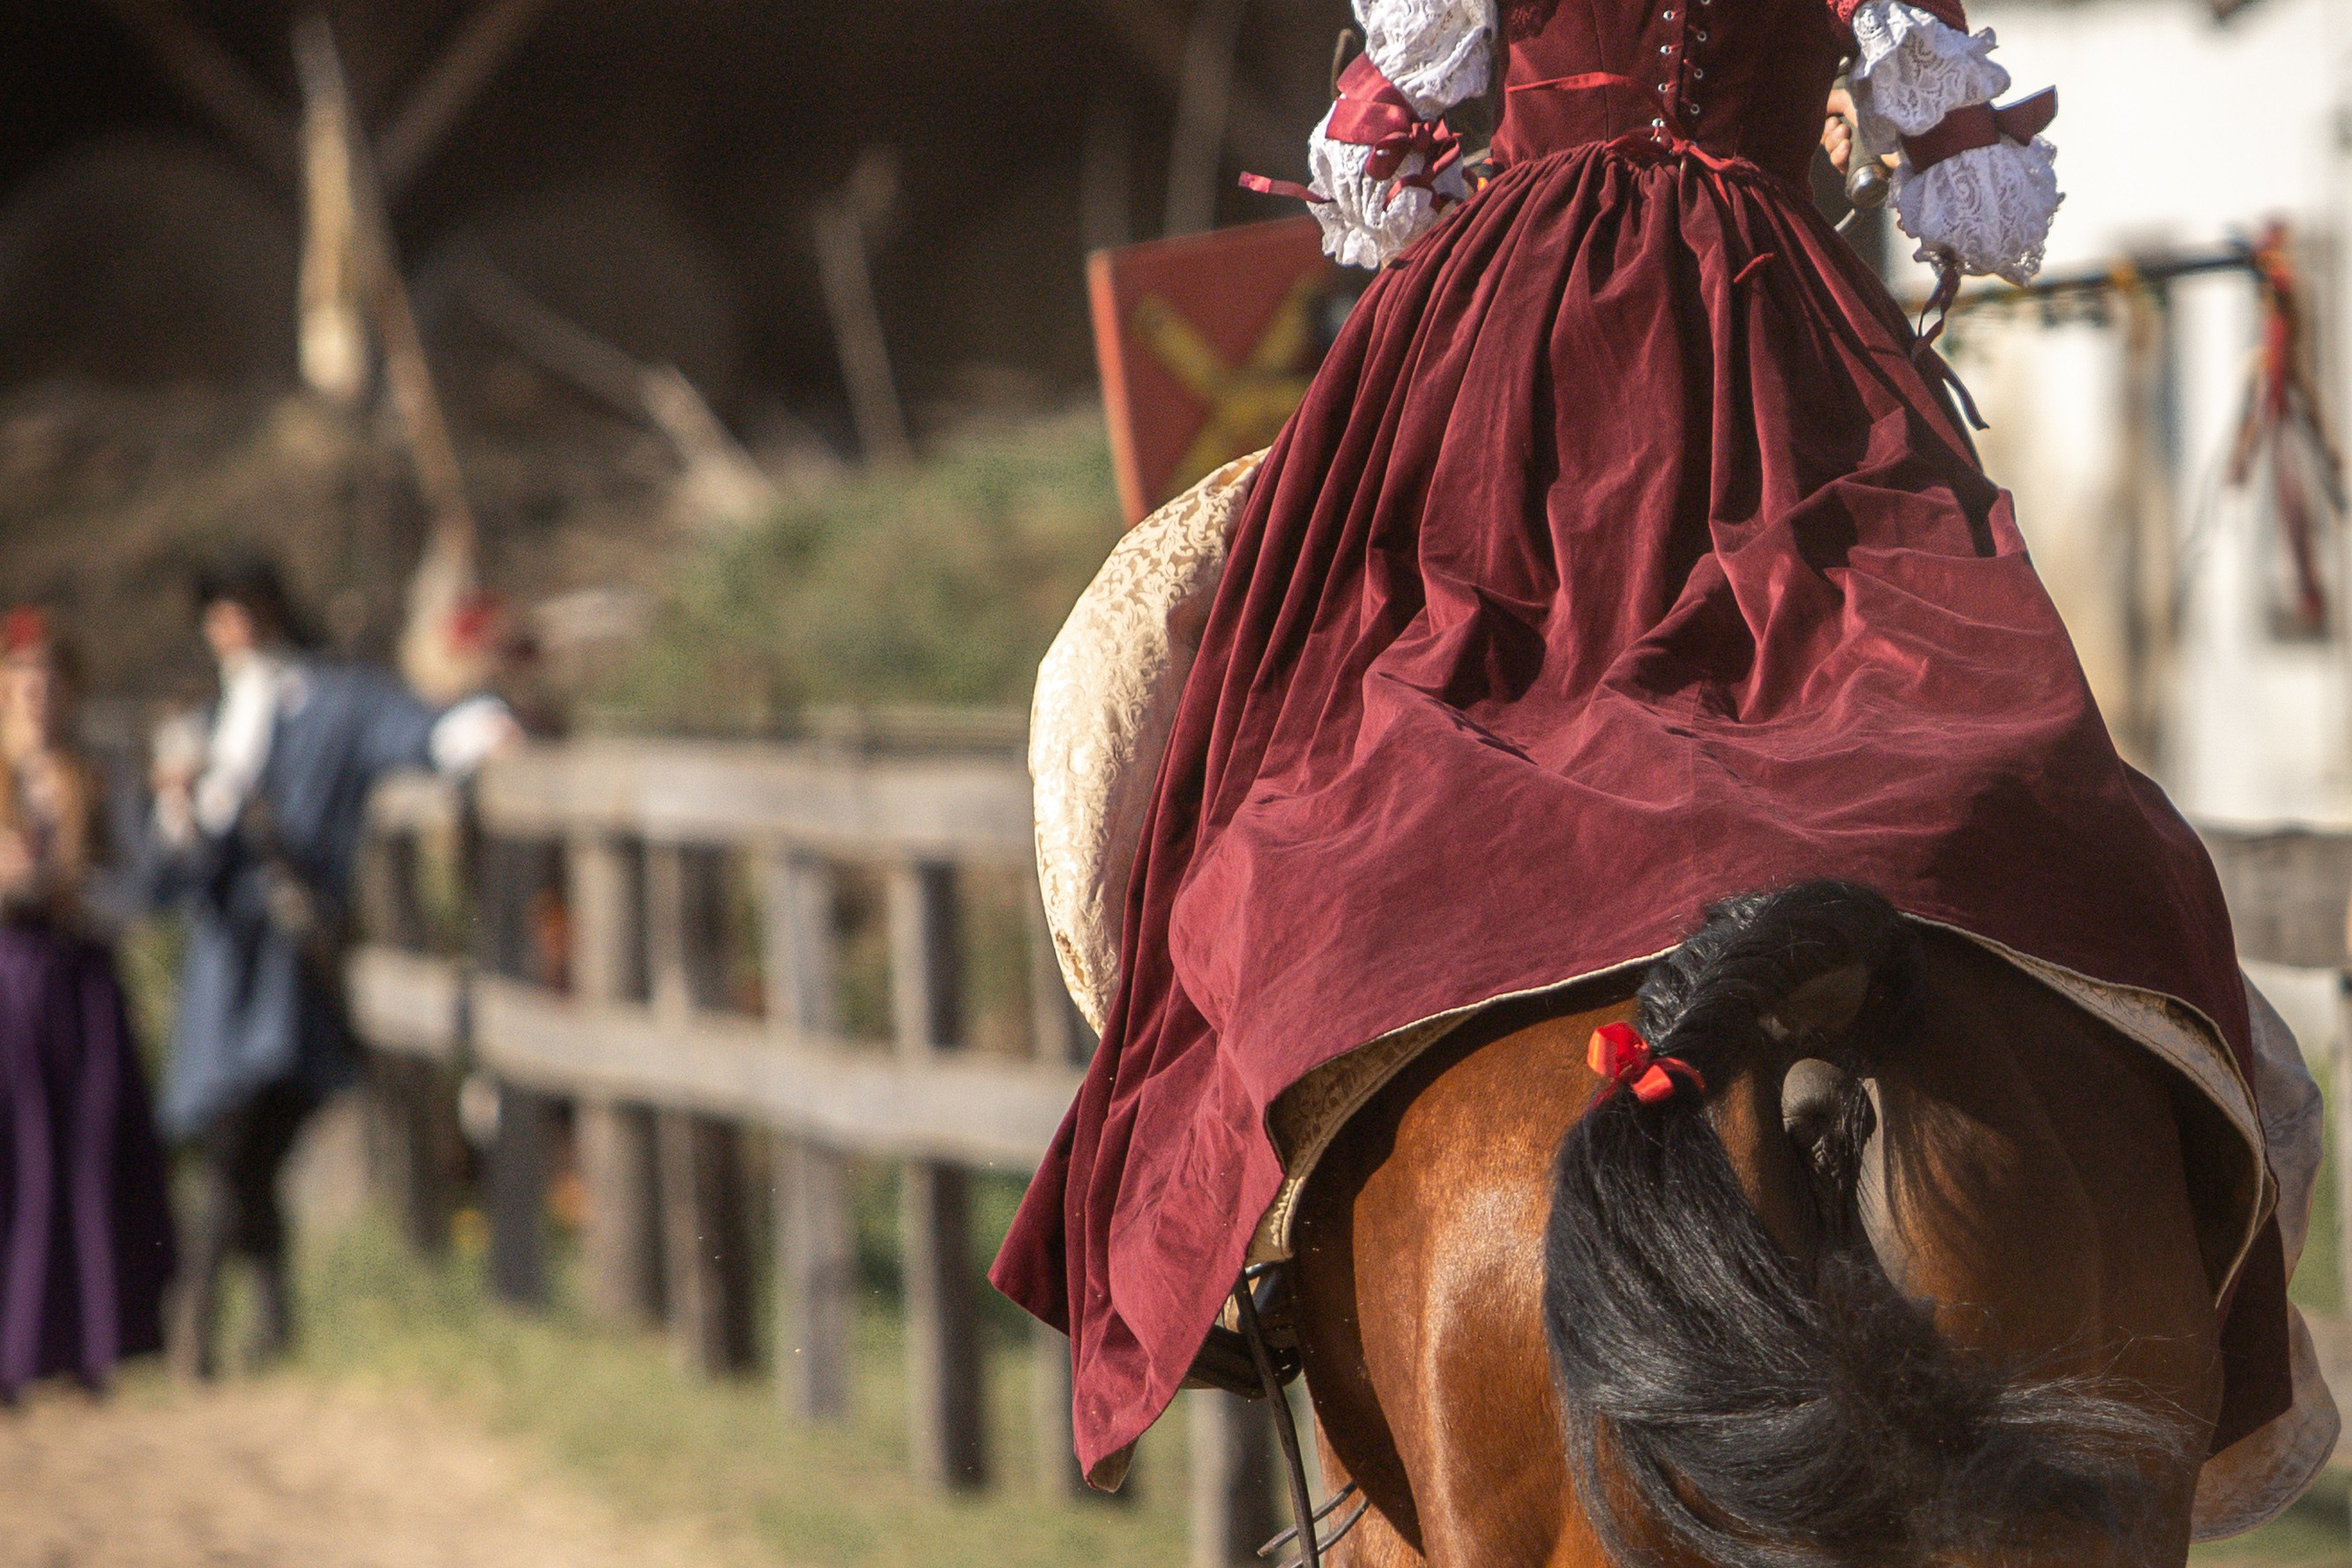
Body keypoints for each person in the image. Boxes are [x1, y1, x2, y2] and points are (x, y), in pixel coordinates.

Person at [1002, 0, 2324, 1535]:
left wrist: (1481, 165)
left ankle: (1243, 1226)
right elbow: (1977, 195)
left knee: (1282, 749)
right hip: (1787, 341)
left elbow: (1375, 167)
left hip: (1514, 347)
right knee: (2001, 757)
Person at [150, 558, 514, 1375]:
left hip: (291, 965)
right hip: (223, 965)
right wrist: (176, 810)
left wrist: (486, 729)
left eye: (242, 606)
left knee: (254, 1134)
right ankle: (250, 1316)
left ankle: (211, 1313)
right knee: (233, 1138)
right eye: (217, 612)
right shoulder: (202, 723)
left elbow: (418, 729)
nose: (231, 625)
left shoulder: (336, 701)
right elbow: (163, 876)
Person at [0, 607, 175, 1400]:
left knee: (84, 1160)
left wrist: (75, 884)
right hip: (8, 986)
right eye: (22, 679)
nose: (37, 694)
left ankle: (88, 1342)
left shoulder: (98, 780)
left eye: (50, 679)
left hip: (78, 989)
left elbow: (137, 887)